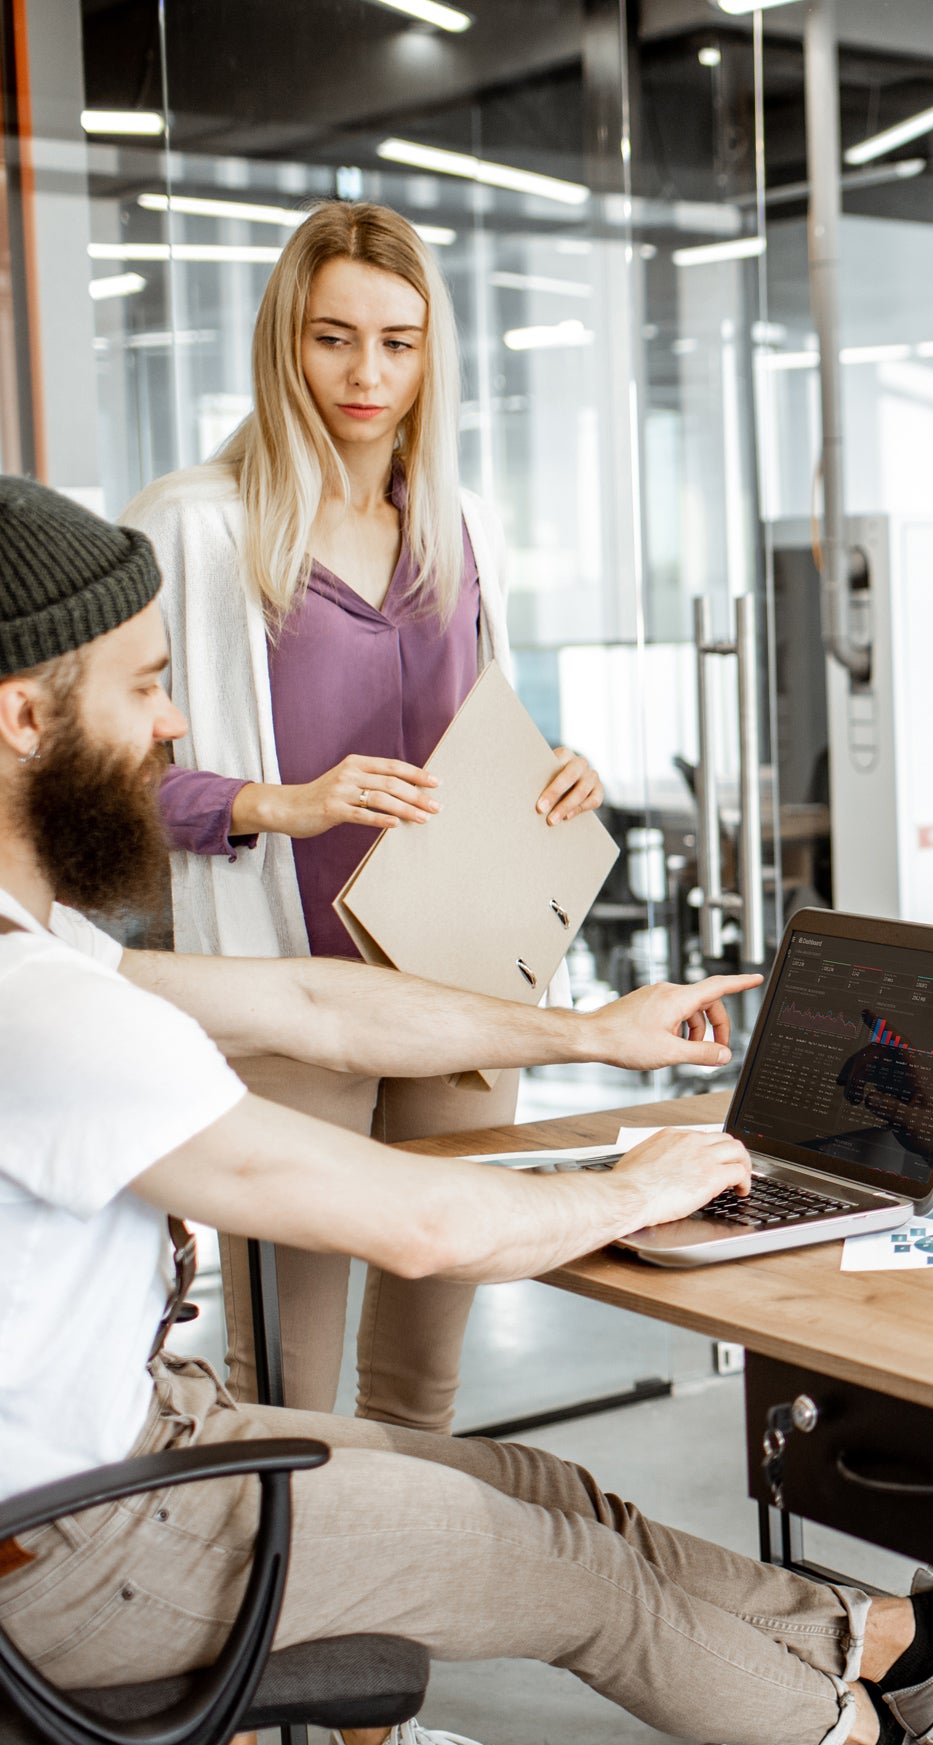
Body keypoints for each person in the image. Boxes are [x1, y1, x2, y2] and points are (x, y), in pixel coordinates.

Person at [0, 479, 933, 1745]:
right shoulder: (42, 1016)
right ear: (24, 715)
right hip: (83, 1551)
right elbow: (426, 1224)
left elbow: (314, 1001)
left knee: (539, 1484)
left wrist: (595, 1038)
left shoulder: (46, 963)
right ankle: (863, 1738)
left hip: (131, 1450)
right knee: (579, 1581)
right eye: (147, 685)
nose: (176, 724)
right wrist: (630, 1184)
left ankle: (891, 1639)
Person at [124, 201, 601, 1439]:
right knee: (287, 1381)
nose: (368, 375)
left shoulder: (462, 524)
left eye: (399, 341)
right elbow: (111, 777)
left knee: (424, 1384)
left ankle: (401, 1623)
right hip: (294, 1007)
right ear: (288, 341)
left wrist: (555, 773)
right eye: (336, 338)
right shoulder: (198, 527)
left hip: (457, 988)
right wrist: (279, 802)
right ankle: (283, 1623)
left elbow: (481, 734)